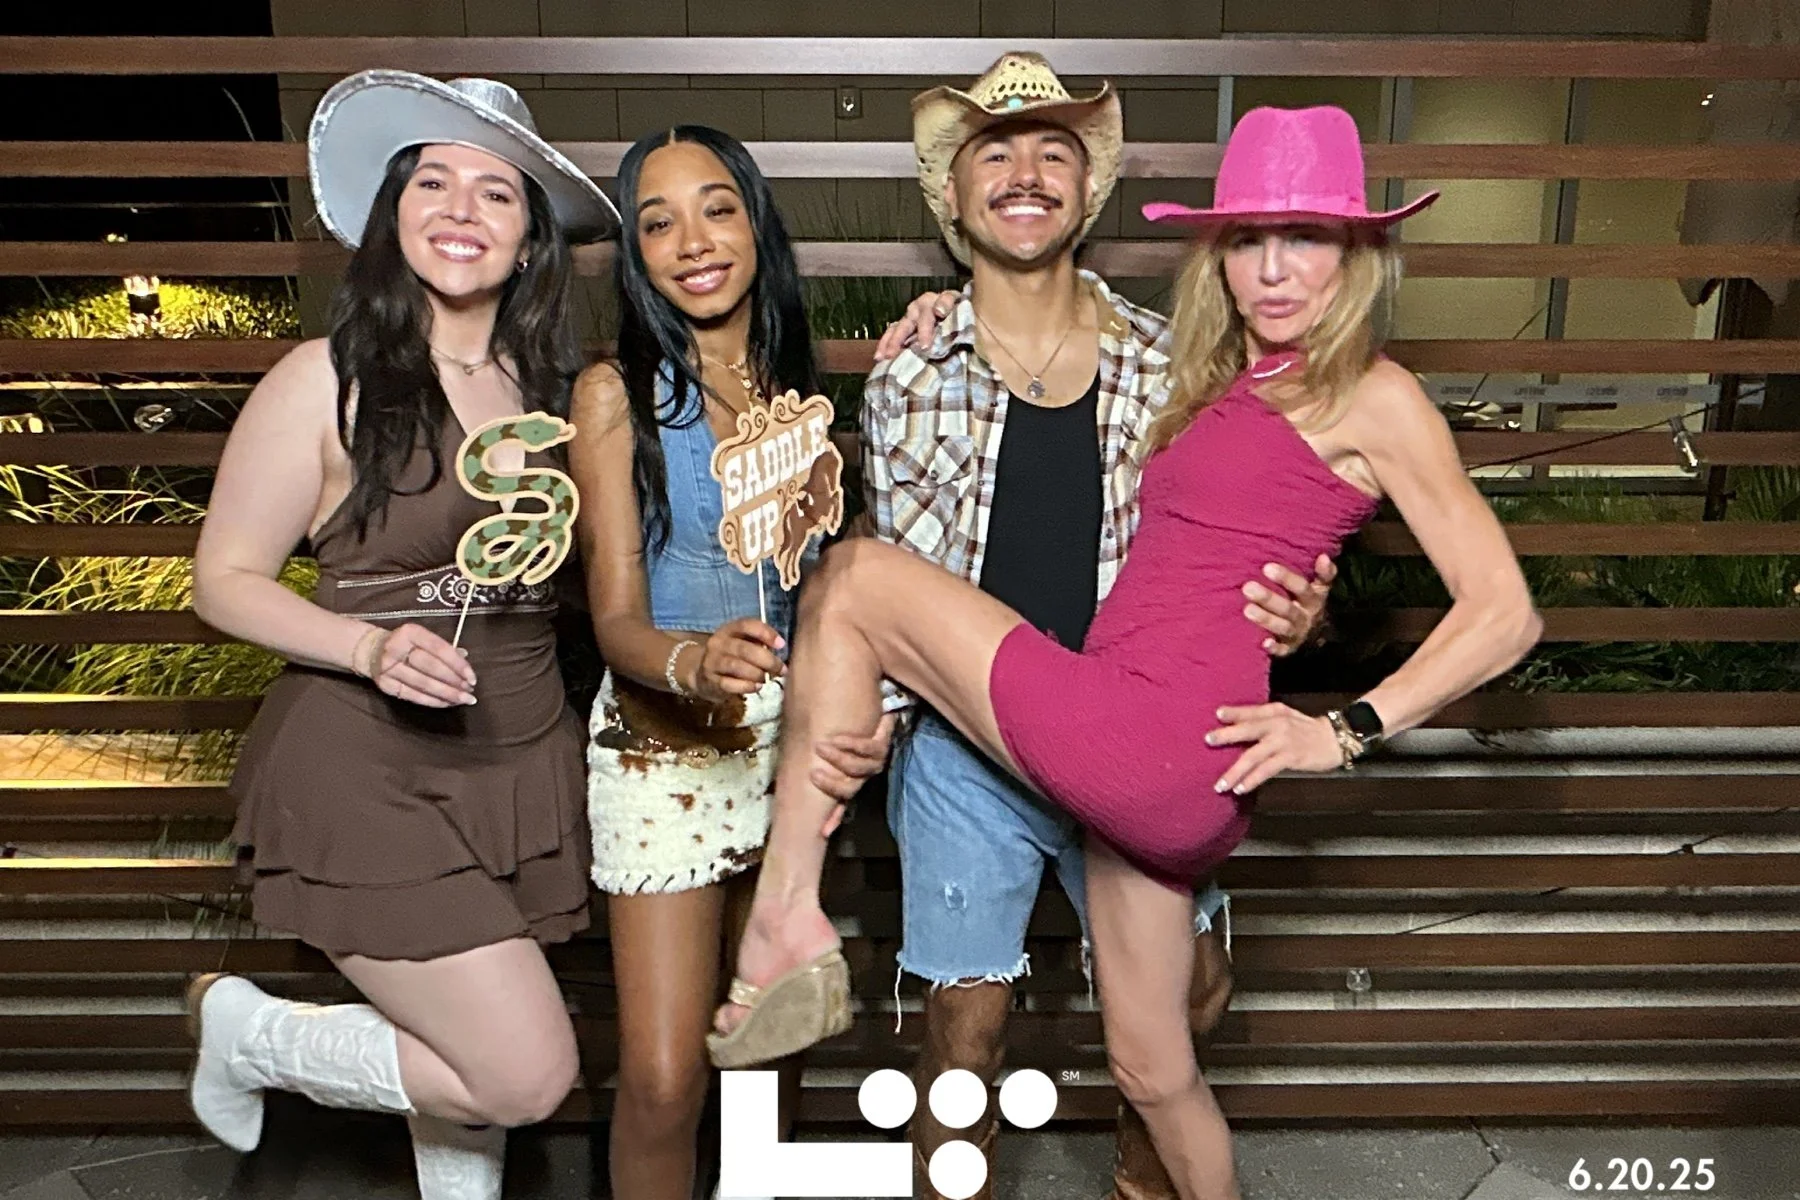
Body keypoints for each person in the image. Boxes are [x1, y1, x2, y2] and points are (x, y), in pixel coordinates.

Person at [713, 103, 1544, 1200]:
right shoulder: (1204, 370)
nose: (1276, 271)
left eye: (1310, 239)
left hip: (1145, 732)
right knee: (1154, 1070)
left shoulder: (1372, 393)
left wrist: (1340, 730)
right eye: (1249, 240)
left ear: (1363, 251)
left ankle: (783, 922)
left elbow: (1504, 612)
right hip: (1148, 744)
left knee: (853, 580)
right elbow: (1246, 537)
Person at [856, 52, 1332, 1200]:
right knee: (963, 1036)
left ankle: (1136, 1178)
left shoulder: (1181, 363)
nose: (1026, 173)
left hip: (1140, 729)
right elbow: (896, 582)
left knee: (1191, 999)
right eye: (996, 153)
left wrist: (1302, 612)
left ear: (1090, 188)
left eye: (1054, 153)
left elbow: (1249, 542)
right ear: (955, 194)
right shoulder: (910, 369)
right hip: (970, 742)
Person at [184, 71, 617, 1200]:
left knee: (465, 1064)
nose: (461, 207)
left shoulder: (554, 394)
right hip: (366, 764)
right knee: (523, 1075)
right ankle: (247, 1033)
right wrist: (370, 648)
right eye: (433, 181)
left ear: (528, 239)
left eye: (496, 191)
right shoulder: (324, 381)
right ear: (394, 215)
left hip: (522, 755)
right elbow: (222, 581)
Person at [564, 125, 892, 1200]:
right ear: (636, 254)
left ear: (756, 222)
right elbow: (611, 615)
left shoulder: (802, 393)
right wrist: (692, 658)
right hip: (667, 754)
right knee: (663, 1080)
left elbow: (834, 586)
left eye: (716, 206)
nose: (691, 240)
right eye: (656, 222)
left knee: (770, 1051)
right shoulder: (615, 393)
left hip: (791, 756)